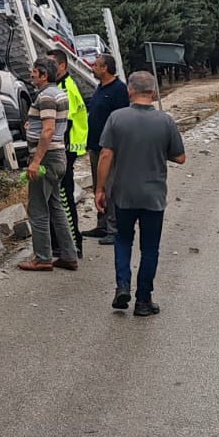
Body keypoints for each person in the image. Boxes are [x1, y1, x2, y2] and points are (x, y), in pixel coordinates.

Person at [95, 71, 186, 315]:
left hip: (124, 194)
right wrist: (158, 150)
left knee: (123, 239)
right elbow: (180, 156)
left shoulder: (116, 118)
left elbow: (105, 155)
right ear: (154, 93)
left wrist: (100, 189)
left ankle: (122, 285)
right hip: (154, 196)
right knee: (150, 248)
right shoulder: (165, 121)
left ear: (130, 91)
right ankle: (143, 300)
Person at [18, 57, 80, 273]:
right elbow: (47, 124)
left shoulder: (46, 96)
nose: (31, 74)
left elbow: (48, 130)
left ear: (44, 75)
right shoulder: (58, 93)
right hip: (59, 156)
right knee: (55, 205)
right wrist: (31, 125)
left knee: (37, 209)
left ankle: (42, 257)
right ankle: (69, 255)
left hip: (46, 158)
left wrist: (35, 162)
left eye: (35, 71)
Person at [82, 54, 128, 245]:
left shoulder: (119, 90)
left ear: (105, 68)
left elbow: (122, 119)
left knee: (110, 188)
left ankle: (114, 228)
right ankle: (102, 225)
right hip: (95, 147)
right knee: (98, 187)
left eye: (96, 65)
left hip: (110, 148)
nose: (92, 68)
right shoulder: (100, 88)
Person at [51, 48, 87, 255]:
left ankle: (74, 244)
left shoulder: (65, 88)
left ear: (62, 66)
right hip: (66, 149)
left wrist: (58, 151)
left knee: (64, 198)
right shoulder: (60, 85)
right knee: (59, 197)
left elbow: (67, 123)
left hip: (66, 150)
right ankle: (61, 243)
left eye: (52, 64)